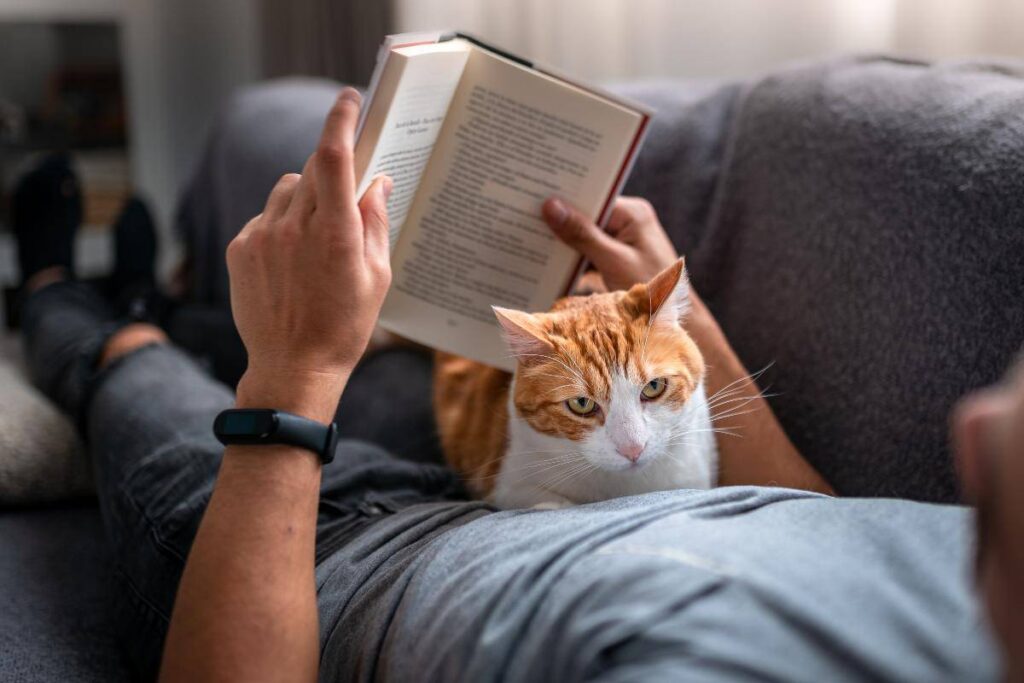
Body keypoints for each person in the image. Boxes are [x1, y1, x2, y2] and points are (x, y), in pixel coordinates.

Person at [15, 89, 1002, 681]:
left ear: (978, 445)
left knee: (130, 363)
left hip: (322, 563)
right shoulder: (958, 569)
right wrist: (673, 303)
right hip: (487, 476)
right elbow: (802, 514)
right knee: (265, 333)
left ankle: (55, 285)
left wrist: (292, 371)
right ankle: (170, 300)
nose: (987, 402)